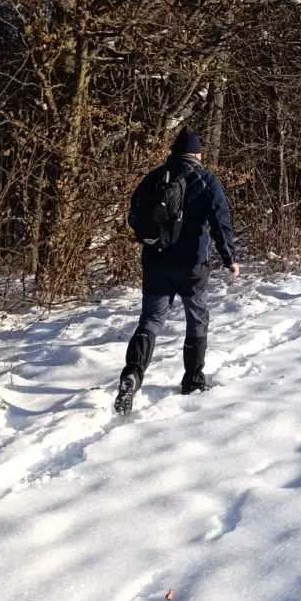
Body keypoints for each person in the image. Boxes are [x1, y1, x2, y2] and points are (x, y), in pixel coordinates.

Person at [116, 128, 239, 414]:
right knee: (197, 319)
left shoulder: (154, 177)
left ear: (174, 152)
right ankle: (193, 380)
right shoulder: (206, 180)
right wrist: (230, 258)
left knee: (151, 320)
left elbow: (134, 215)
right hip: (192, 265)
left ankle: (132, 374)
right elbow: (220, 222)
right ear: (197, 154)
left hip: (156, 262)